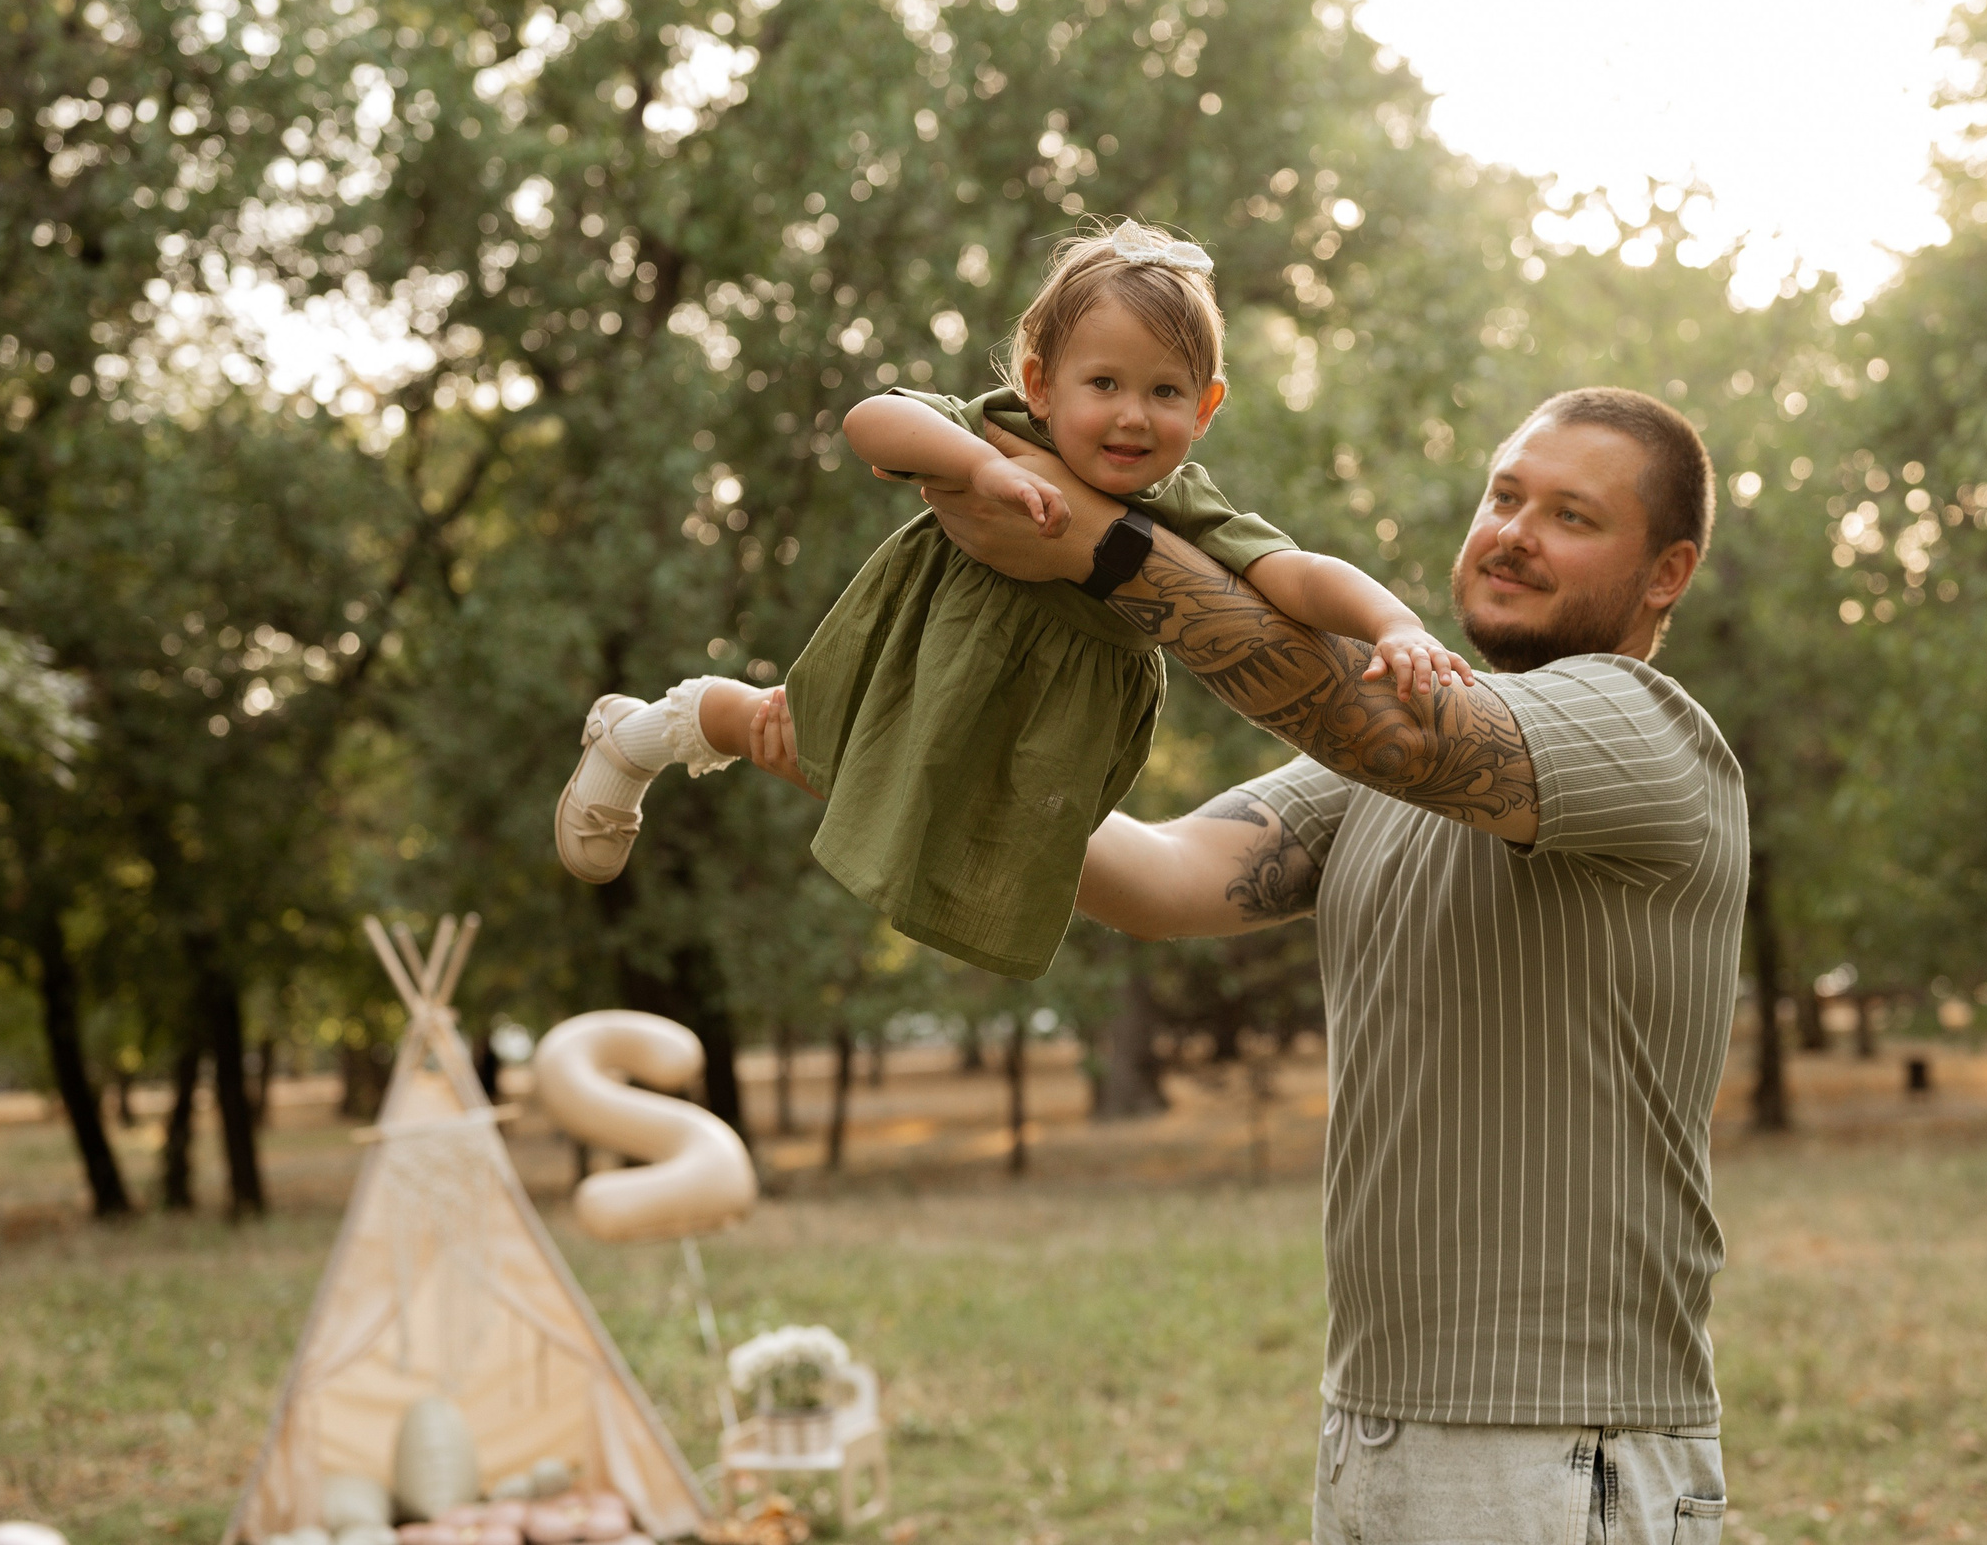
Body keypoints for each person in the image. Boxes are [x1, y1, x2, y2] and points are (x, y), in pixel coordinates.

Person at [911, 385, 1748, 1544]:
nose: (1512, 530)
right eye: (1504, 494)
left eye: (1570, 514)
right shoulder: (1388, 768)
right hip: (1376, 1423)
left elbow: (1378, 729)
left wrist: (1098, 547)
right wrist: (898, 750)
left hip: (1561, 1447)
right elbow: (1158, 874)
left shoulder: (1645, 729)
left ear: (1665, 572)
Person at [552, 220, 1469, 980]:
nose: (1132, 416)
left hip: (1044, 725)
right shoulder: (1005, 429)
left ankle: (682, 725)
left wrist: (1395, 622)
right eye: (1102, 383)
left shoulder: (1182, 505)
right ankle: (665, 726)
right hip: (928, 659)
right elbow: (873, 419)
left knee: (964, 834)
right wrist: (982, 465)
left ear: (1208, 405)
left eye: (1165, 392)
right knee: (812, 747)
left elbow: (1296, 574)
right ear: (1041, 381)